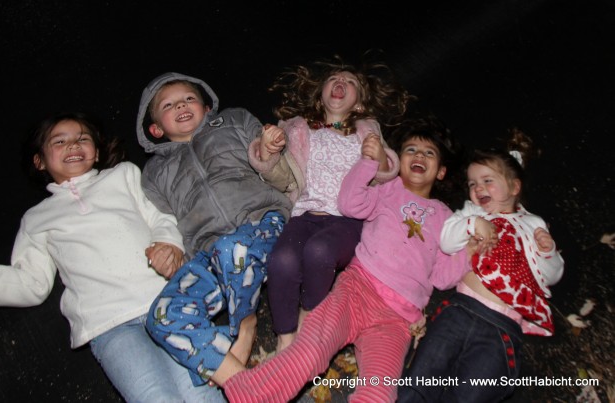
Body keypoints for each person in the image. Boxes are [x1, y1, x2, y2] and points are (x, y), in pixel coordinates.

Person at [0, 112, 225, 403]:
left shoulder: (124, 176)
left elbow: (161, 215)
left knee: (200, 393)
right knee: (155, 398)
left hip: (169, 304)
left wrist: (168, 244)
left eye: (82, 139)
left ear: (96, 151)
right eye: (59, 141)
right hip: (109, 326)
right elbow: (30, 283)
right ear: (39, 161)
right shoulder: (37, 218)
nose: (73, 146)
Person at [221, 116, 472, 402]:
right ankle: (250, 395)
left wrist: (470, 250)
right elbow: (350, 204)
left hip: (397, 318)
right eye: (411, 150)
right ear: (398, 161)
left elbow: (442, 276)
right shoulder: (388, 190)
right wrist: (368, 164)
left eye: (429, 153)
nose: (419, 156)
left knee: (380, 392)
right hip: (357, 290)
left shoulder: (447, 218)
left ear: (440, 171)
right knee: (310, 350)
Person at [135, 72, 292, 387]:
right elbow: (166, 217)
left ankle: (244, 325)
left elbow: (266, 158)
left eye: (189, 98)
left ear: (207, 107)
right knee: (162, 317)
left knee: (232, 248)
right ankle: (242, 384)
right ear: (156, 128)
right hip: (211, 252)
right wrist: (167, 250)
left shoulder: (232, 121)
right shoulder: (154, 173)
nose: (181, 105)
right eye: (169, 104)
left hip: (262, 224)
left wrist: (268, 145)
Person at [249, 55, 412, 352]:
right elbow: (280, 177)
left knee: (319, 251)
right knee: (281, 260)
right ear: (321, 92)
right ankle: (285, 338)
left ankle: (310, 315)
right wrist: (267, 150)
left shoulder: (366, 131)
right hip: (304, 215)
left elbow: (386, 175)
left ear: (359, 104)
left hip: (347, 221)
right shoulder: (297, 129)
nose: (341, 83)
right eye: (334, 79)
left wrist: (378, 157)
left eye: (350, 82)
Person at [397, 129, 565, 403]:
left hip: (501, 328)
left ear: (514, 187)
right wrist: (472, 224)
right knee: (421, 378)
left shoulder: (533, 224)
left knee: (471, 394)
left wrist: (548, 254)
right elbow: (447, 241)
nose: (478, 189)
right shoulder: (472, 212)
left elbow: (550, 277)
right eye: (472, 184)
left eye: (488, 181)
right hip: (460, 309)